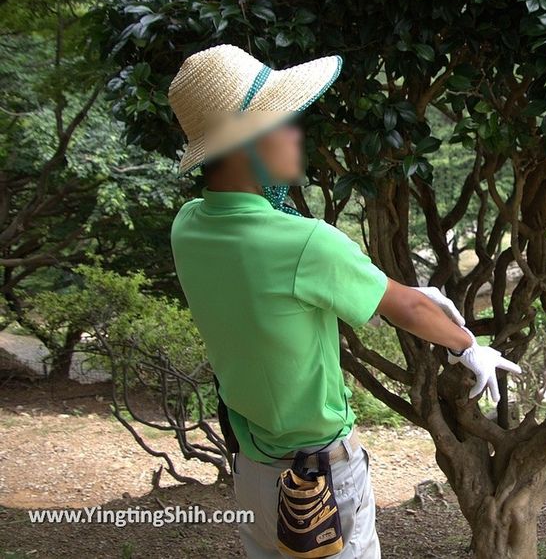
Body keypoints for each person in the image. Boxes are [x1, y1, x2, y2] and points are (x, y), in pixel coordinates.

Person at [167, 44, 521, 558]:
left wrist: (385, 287)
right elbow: (410, 310)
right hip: (320, 481)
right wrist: (468, 346)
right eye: (282, 121)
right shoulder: (303, 243)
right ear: (249, 144)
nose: (296, 132)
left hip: (252, 474)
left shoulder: (189, 226)